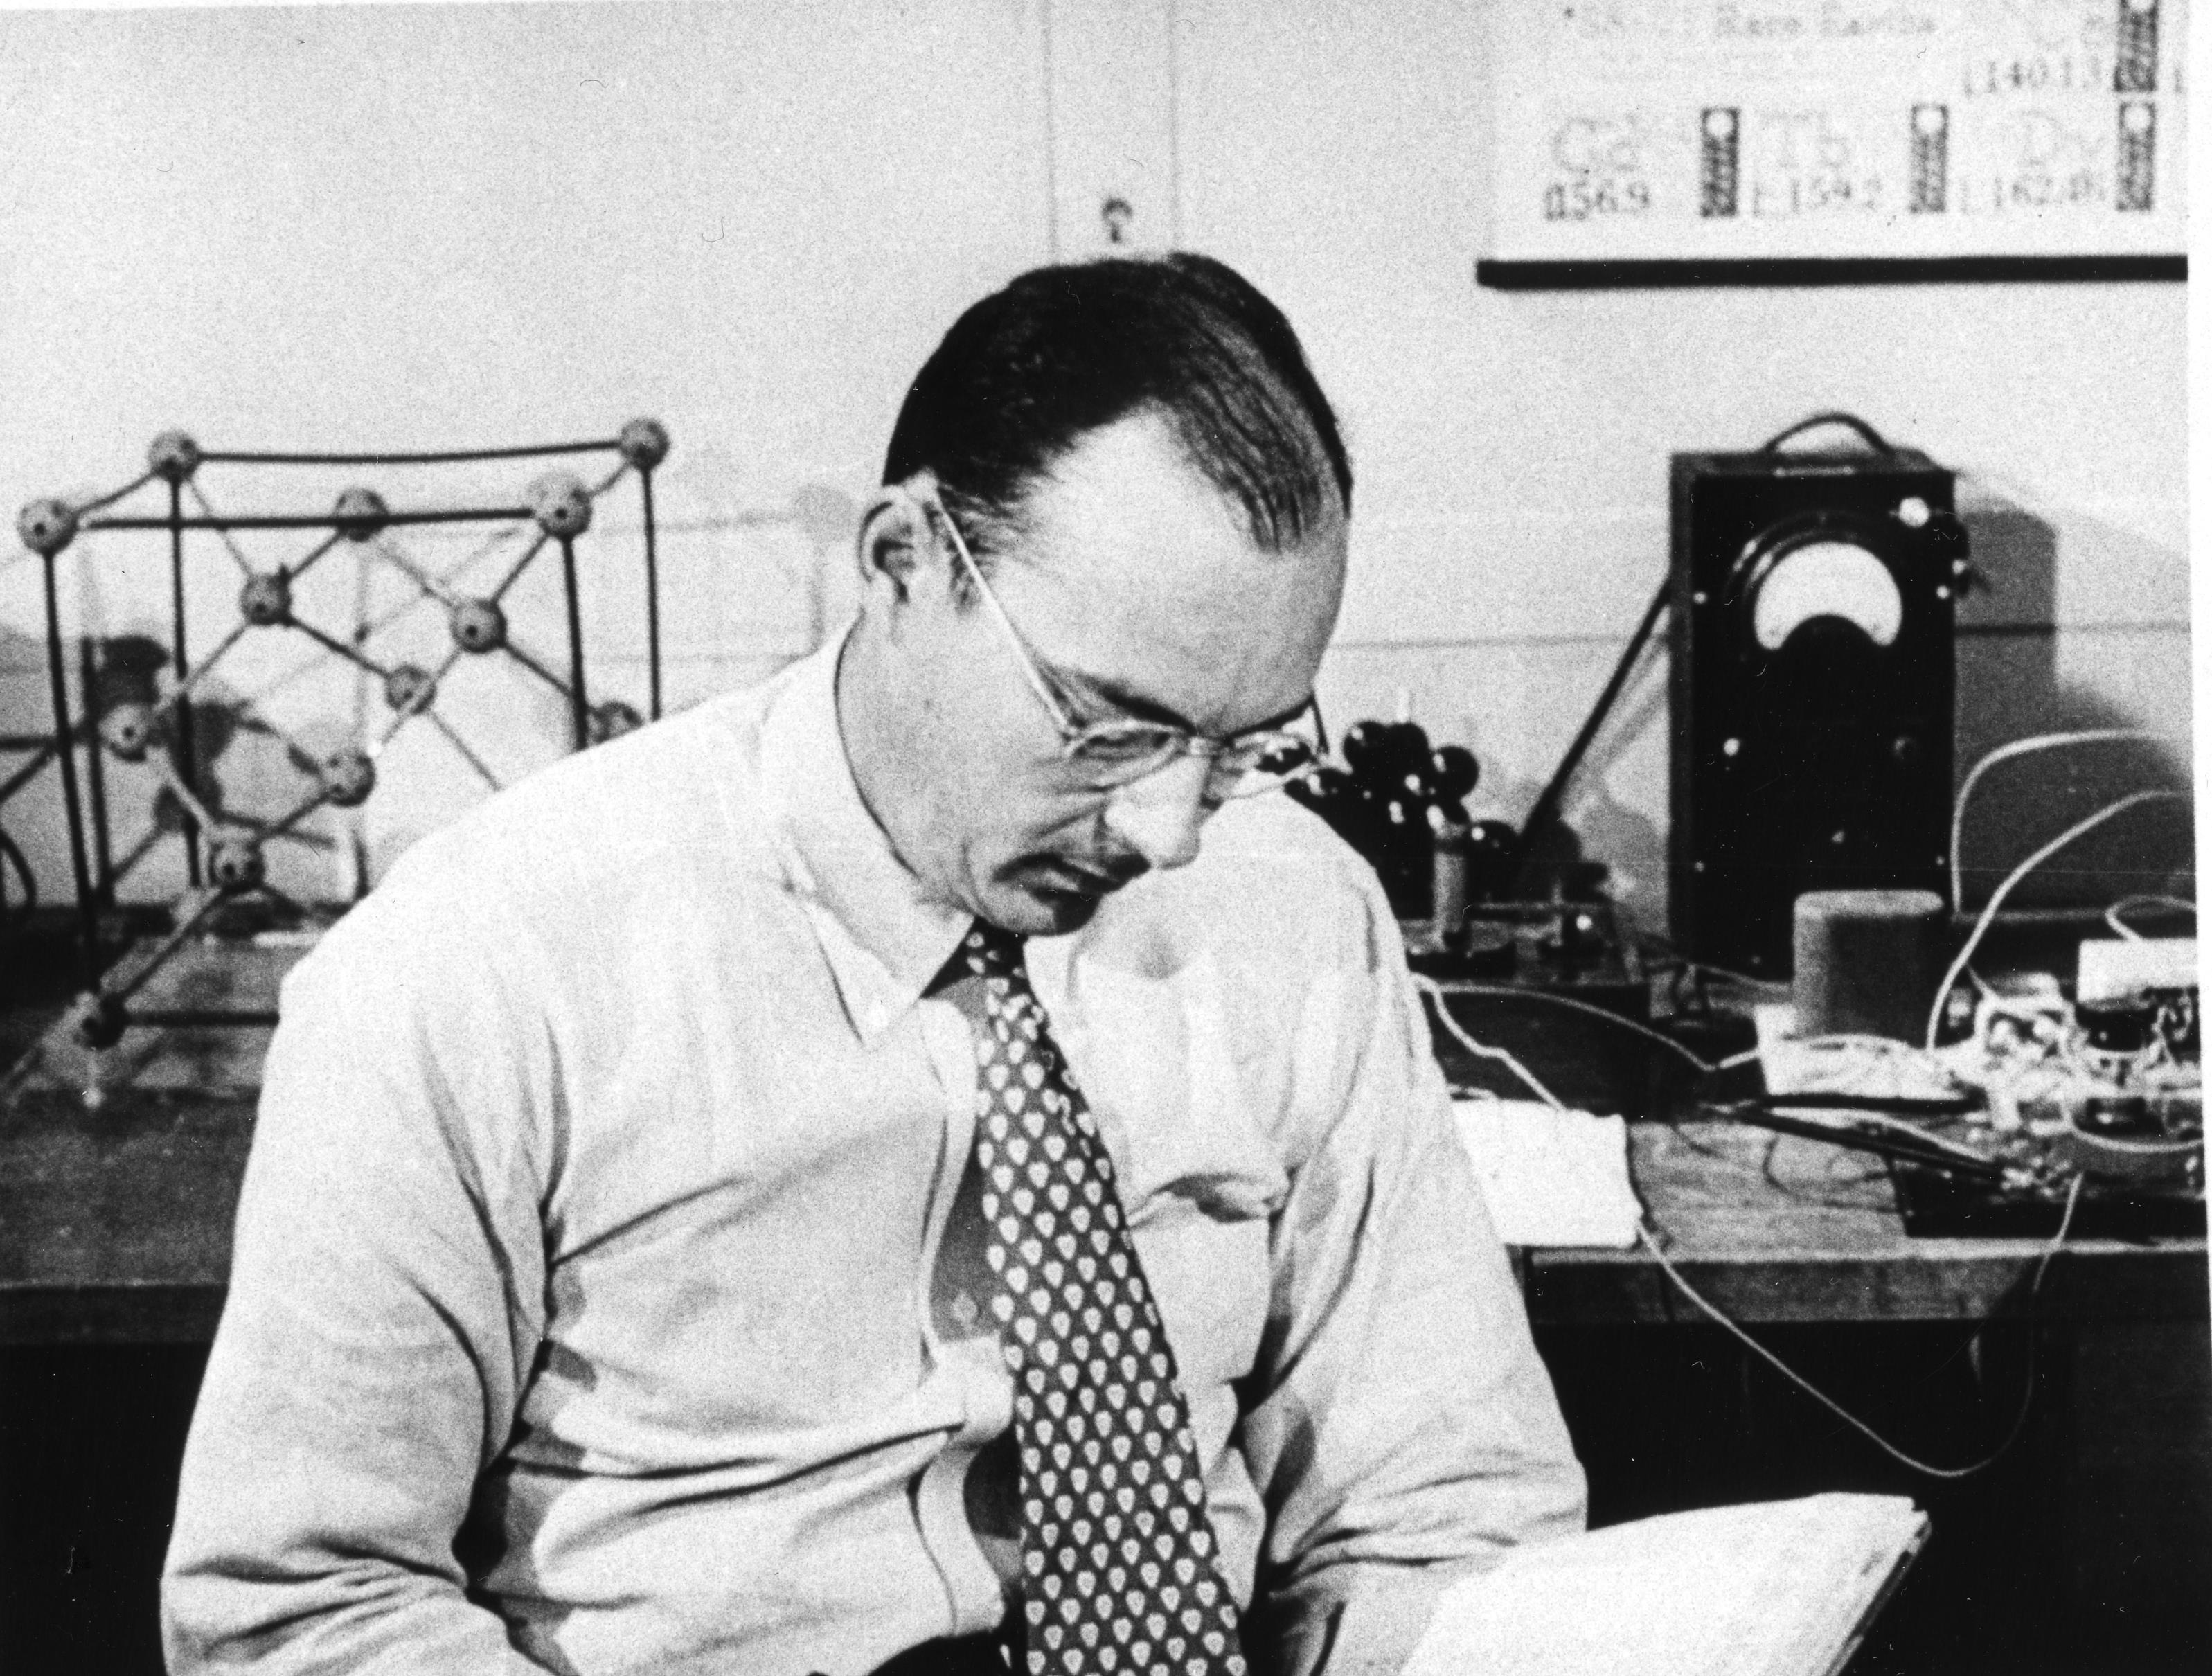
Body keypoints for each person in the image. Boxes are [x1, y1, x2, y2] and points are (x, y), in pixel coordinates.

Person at [163, 253, 1585, 1676]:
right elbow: (303, 1614)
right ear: (904, 560)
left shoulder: (1297, 912)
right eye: (1110, 725)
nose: (1168, 830)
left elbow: (1441, 1508)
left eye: (1245, 744)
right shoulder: (485, 962)